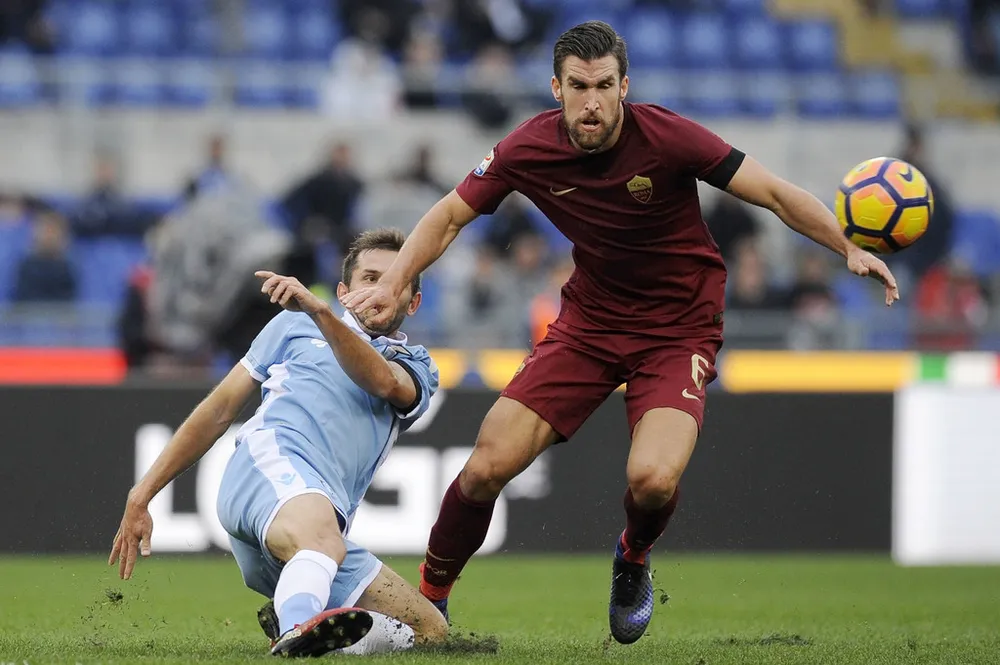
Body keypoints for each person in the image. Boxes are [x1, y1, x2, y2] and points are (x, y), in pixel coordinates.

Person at [341, 21, 899, 645]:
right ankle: (429, 608)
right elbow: (448, 216)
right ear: (556, 88)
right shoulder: (526, 148)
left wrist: (844, 245)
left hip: (679, 330)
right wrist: (394, 284)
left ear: (624, 86)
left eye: (605, 85)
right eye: (578, 86)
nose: (592, 101)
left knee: (653, 480)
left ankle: (632, 556)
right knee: (484, 467)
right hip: (591, 322)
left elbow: (770, 191)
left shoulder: (668, 137)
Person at [109, 229, 448, 657]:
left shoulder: (416, 365)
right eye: (369, 277)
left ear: (413, 302)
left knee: (429, 633)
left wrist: (321, 312)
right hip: (266, 473)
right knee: (321, 543)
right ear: (345, 290)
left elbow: (381, 381)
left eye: (396, 280)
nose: (380, 289)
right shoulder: (295, 323)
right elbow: (219, 410)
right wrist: (142, 494)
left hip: (316, 532)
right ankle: (297, 632)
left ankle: (298, 615)